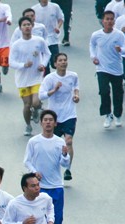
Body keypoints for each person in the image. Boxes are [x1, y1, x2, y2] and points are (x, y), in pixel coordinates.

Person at [24, 110, 70, 224]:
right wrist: (34, 172)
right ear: (41, 122)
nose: (48, 122)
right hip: (40, 186)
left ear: (55, 123)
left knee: (58, 216)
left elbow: (65, 164)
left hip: (56, 185)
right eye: (45, 120)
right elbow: (27, 161)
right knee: (40, 215)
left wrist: (65, 155)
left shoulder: (59, 142)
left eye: (51, 120)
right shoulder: (34, 141)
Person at [39, 53, 79, 181]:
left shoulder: (73, 76)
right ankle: (52, 168)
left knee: (68, 141)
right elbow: (41, 96)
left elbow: (76, 88)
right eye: (60, 60)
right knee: (52, 144)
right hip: (54, 116)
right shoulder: (50, 78)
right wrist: (54, 90)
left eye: (65, 60)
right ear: (55, 64)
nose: (63, 62)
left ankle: (68, 169)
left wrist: (76, 96)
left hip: (69, 114)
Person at [9, 16, 50, 136]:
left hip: (36, 77)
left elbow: (47, 53)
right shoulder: (17, 45)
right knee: (27, 104)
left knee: (36, 102)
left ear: (32, 26)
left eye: (29, 25)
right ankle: (28, 125)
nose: (27, 27)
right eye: (24, 25)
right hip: (22, 80)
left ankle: (37, 109)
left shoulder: (39, 41)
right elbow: (11, 62)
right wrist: (23, 65)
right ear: (20, 28)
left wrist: (43, 64)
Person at [90, 11, 125, 128]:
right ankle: (108, 114)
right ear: (103, 21)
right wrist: (93, 57)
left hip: (116, 69)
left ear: (114, 21)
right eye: (107, 19)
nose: (109, 21)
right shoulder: (96, 35)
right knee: (104, 91)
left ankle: (117, 114)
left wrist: (121, 49)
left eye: (111, 19)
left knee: (118, 93)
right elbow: (92, 46)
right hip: (102, 68)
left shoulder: (119, 35)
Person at [31, 0, 64, 68]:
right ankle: (46, 76)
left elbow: (61, 18)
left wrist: (58, 27)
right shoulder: (34, 9)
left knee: (55, 63)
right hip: (41, 39)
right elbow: (31, 22)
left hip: (52, 38)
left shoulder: (55, 7)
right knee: (45, 64)